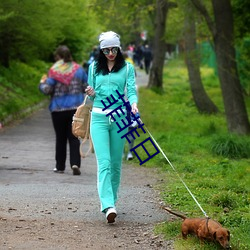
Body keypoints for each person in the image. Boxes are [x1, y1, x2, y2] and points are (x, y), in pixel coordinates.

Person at [85, 31, 138, 223]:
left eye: (114, 49)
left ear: (119, 48)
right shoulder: (93, 68)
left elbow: (131, 90)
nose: (110, 53)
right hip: (98, 118)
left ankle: (112, 201)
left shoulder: (127, 68)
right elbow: (91, 96)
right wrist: (90, 92)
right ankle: (107, 205)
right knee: (104, 163)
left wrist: (133, 103)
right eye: (106, 50)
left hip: (120, 118)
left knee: (116, 164)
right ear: (101, 50)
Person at [39, 45, 88, 175]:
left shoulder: (54, 71)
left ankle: (60, 166)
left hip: (58, 109)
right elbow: (86, 87)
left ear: (58, 57)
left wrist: (42, 83)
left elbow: (47, 90)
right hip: (75, 109)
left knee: (60, 138)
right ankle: (75, 163)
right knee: (73, 137)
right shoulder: (79, 70)